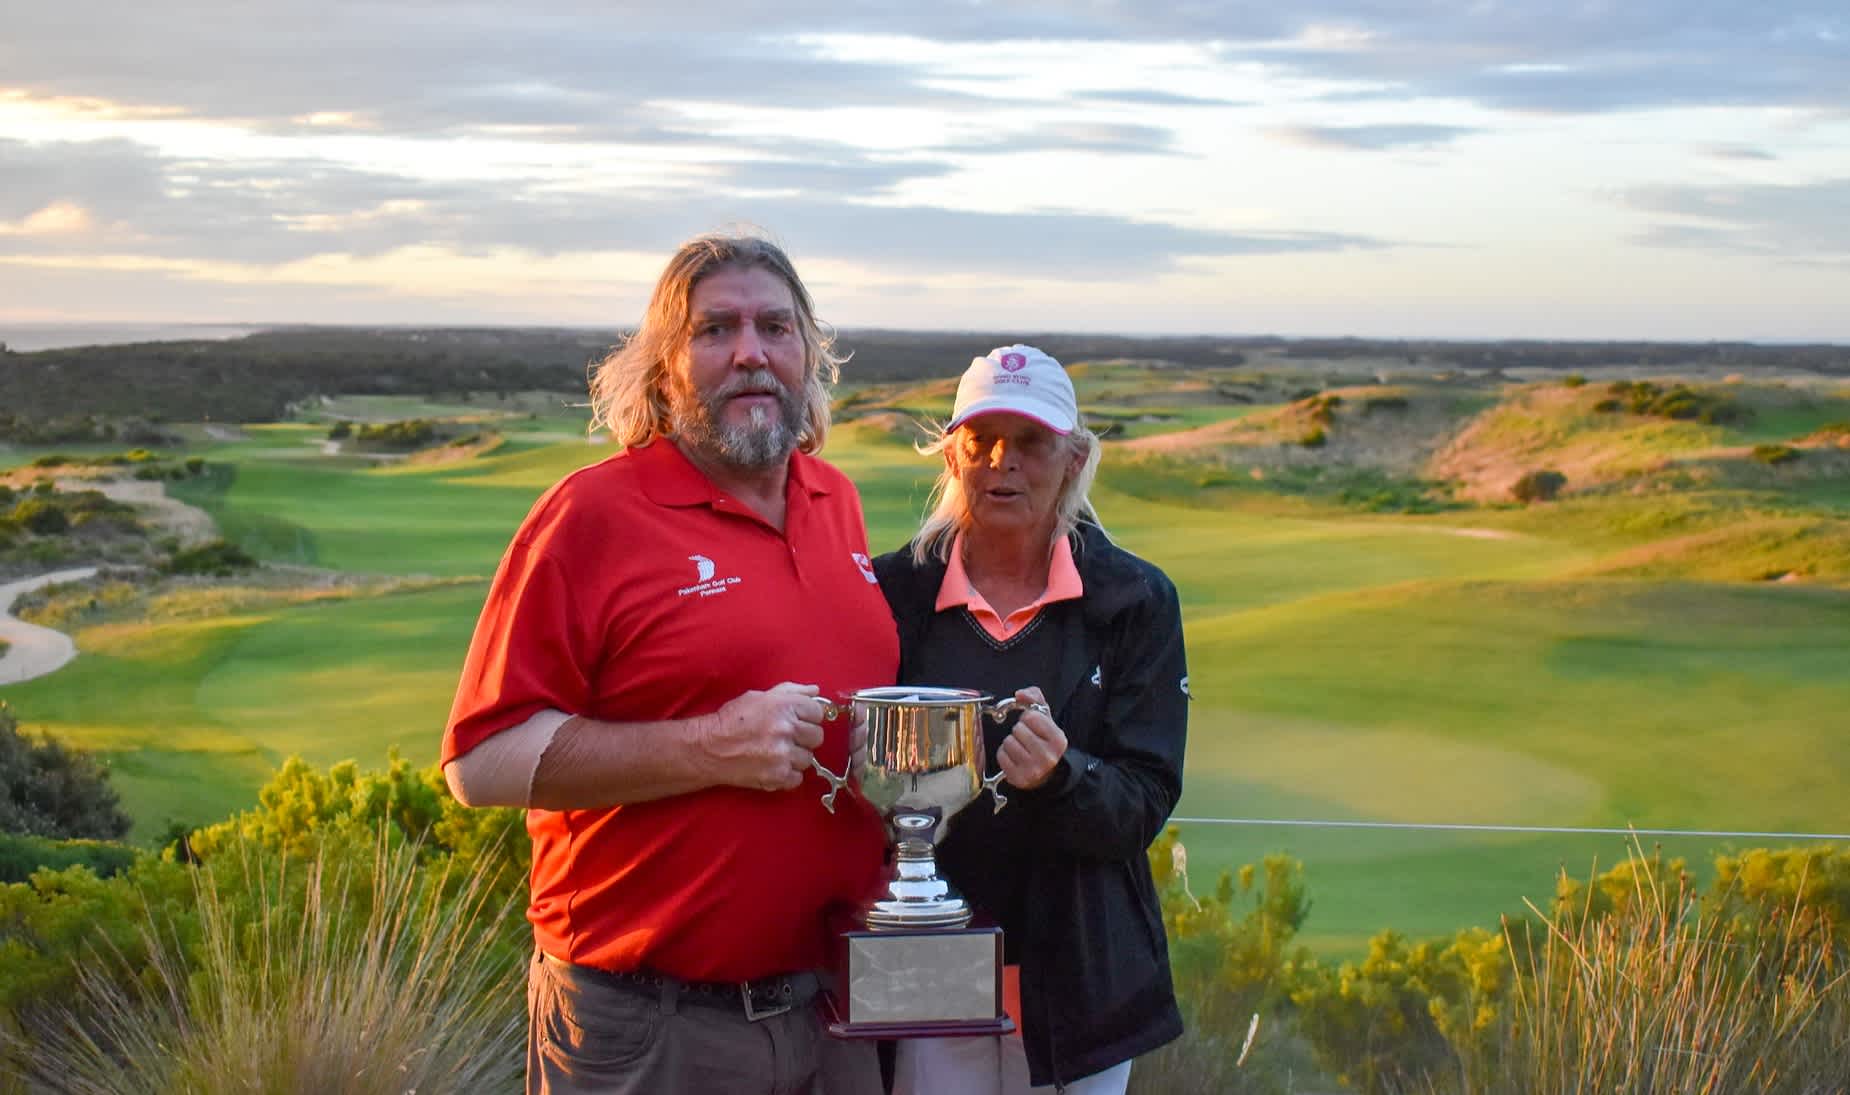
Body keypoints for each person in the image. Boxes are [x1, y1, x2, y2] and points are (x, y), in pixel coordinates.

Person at [443, 233, 895, 1095]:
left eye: (776, 326)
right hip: (649, 1029)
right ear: (663, 368)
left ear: (808, 353)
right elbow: (480, 761)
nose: (751, 352)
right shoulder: (591, 515)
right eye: (715, 330)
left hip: (829, 1014)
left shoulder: (838, 501)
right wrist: (710, 745)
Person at [873, 345, 1189, 1094]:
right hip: (925, 966)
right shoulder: (890, 593)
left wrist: (1061, 776)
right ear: (951, 453)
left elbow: (1143, 798)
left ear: (1075, 457)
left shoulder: (1136, 600)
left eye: (1031, 442)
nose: (1001, 462)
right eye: (980, 440)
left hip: (1078, 982)